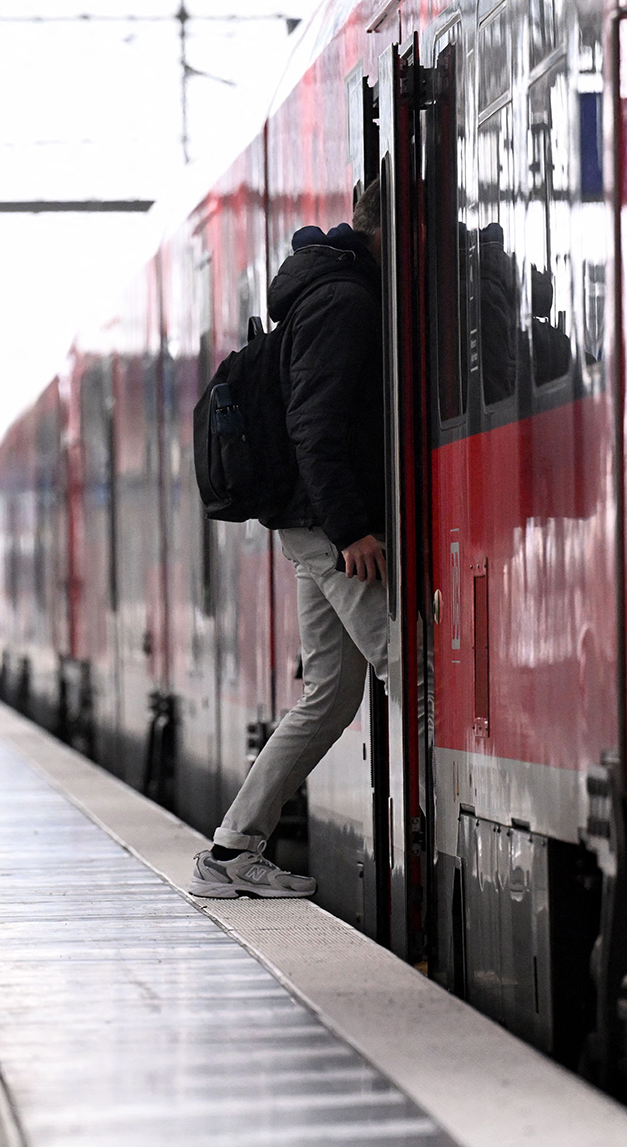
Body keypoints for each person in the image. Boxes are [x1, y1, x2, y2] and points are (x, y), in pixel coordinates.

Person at [190, 182, 392, 900]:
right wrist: (350, 531)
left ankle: (230, 851)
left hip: (310, 526)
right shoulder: (347, 302)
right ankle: (431, 845)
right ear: (389, 231)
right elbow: (315, 423)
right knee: (413, 671)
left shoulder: (327, 290)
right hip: (327, 528)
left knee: (330, 697)